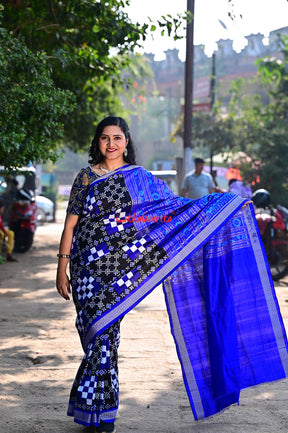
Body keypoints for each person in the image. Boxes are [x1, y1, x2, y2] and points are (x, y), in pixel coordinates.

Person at [56, 117, 288, 432]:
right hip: (85, 267)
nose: (111, 145)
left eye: (117, 138)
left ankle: (100, 412)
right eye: (105, 138)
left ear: (127, 142)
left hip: (117, 270)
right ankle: (92, 408)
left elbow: (171, 209)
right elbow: (71, 224)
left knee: (105, 337)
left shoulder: (140, 179)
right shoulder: (85, 177)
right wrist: (62, 266)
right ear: (97, 142)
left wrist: (222, 207)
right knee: (92, 336)